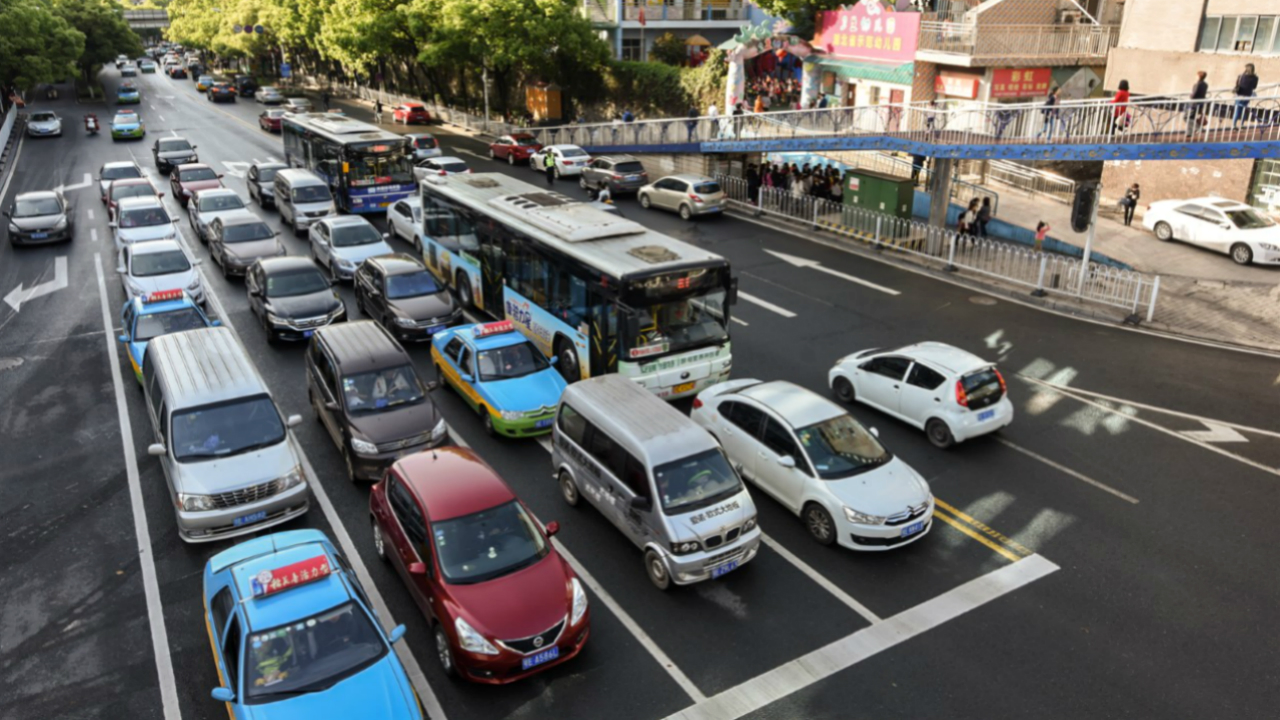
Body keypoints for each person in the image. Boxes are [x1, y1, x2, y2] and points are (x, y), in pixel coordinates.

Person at [1232, 63, 1259, 129]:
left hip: (1240, 95)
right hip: (1248, 95)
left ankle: (1234, 125)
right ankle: (1242, 124)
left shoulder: (1241, 76)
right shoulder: (1255, 77)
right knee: (1244, 110)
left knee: (1237, 110)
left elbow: (1238, 84)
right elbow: (1254, 87)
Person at [1186, 71, 1208, 139]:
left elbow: (1194, 95)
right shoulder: (1205, 84)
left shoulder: (1197, 84)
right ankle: (1189, 132)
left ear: (1199, 76)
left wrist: (1190, 95)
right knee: (1191, 117)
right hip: (1200, 103)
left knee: (1187, 117)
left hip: (1194, 104)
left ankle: (1198, 128)